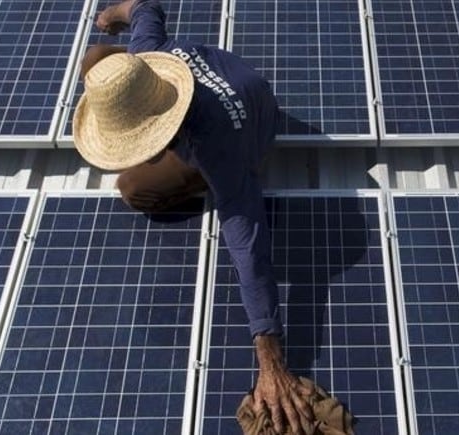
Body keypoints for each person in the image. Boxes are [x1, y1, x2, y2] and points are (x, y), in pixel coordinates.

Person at [72, 0, 314, 433]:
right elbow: (145, 7)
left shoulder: (214, 145)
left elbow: (249, 245)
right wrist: (113, 15)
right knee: (96, 62)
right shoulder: (148, 56)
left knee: (134, 188)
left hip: (250, 131)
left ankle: (193, 182)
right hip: (241, 83)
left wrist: (271, 358)